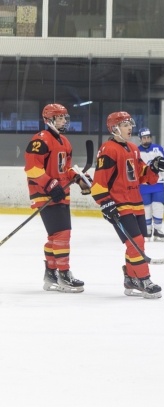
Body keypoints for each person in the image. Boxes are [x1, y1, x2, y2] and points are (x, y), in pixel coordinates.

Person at [90, 111, 164, 299]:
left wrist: (154, 168)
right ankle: (143, 279)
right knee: (136, 242)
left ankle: (131, 278)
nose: (130, 128)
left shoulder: (133, 148)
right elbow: (99, 182)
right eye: (125, 125)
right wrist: (105, 202)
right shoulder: (108, 149)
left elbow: (142, 175)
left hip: (136, 203)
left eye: (130, 124)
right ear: (115, 128)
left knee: (138, 243)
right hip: (119, 205)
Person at [24, 103, 89, 293]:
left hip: (59, 193)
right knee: (62, 234)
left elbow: (65, 169)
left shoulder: (65, 141)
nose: (63, 121)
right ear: (49, 120)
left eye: (64, 118)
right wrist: (50, 184)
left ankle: (51, 274)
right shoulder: (40, 140)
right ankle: (63, 273)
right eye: (59, 117)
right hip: (44, 194)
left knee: (55, 236)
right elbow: (33, 168)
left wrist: (78, 178)